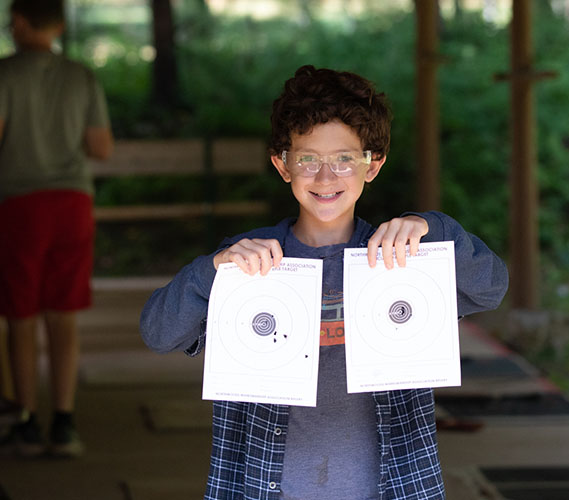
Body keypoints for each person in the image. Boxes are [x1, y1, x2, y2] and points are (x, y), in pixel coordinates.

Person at [140, 65, 508, 499]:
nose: (326, 177)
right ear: (282, 165)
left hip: (393, 488)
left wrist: (433, 229)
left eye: (344, 160)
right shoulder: (243, 261)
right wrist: (210, 270)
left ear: (372, 166)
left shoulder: (406, 255)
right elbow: (159, 334)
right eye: (308, 159)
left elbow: (490, 287)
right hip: (263, 488)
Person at [0, 0, 113, 458]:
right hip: (72, 203)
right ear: (60, 24)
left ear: (22, 22)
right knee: (63, 315)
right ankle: (64, 423)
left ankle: (25, 420)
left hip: (18, 205)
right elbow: (100, 147)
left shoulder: (4, 74)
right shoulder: (81, 75)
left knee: (20, 316)